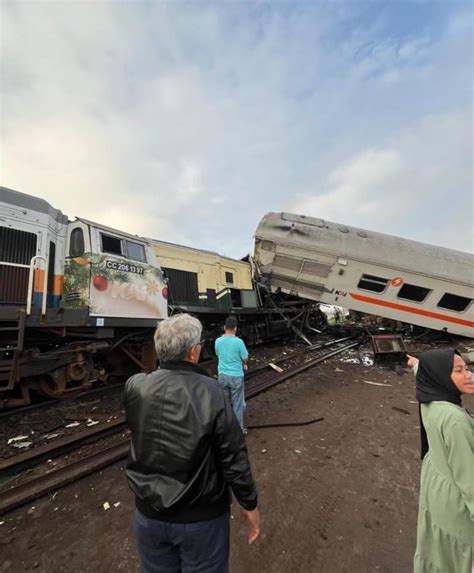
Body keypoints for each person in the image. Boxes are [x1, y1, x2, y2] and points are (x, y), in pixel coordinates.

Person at [124, 314, 260, 573]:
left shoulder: (135, 387)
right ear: (193, 352)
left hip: (147, 515)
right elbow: (233, 456)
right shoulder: (212, 391)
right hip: (201, 519)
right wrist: (249, 502)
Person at [408, 349, 474, 573]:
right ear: (440, 376)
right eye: (459, 370)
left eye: (467, 368)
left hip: (437, 492)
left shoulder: (430, 400)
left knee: (441, 554)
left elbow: (423, 372)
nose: (469, 375)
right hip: (457, 503)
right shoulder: (455, 420)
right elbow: (469, 480)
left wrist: (416, 364)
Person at [215, 315, 249, 431]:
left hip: (222, 376)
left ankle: (226, 429)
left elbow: (218, 354)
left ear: (224, 327)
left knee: (226, 404)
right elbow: (245, 358)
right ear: (235, 328)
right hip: (236, 377)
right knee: (238, 404)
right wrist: (243, 362)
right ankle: (238, 431)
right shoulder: (239, 342)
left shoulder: (218, 341)